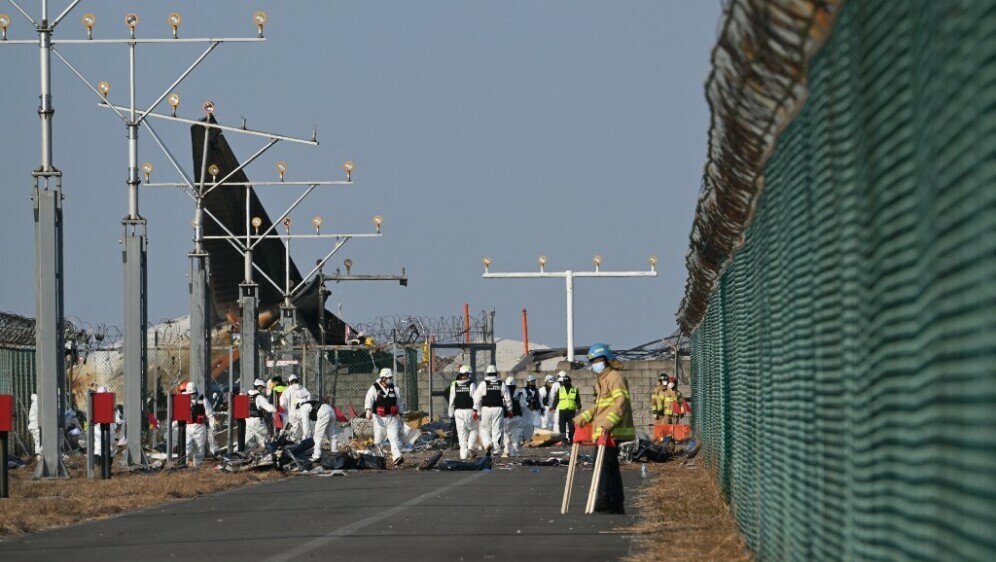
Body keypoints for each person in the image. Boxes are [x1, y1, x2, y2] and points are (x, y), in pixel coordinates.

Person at [573, 343, 634, 515]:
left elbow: (621, 403)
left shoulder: (615, 378)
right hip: (604, 430)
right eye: (592, 361)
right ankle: (614, 503)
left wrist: (608, 423)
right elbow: (599, 407)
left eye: (597, 361)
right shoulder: (602, 381)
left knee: (603, 466)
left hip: (613, 430)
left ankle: (605, 500)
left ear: (606, 361)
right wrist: (583, 417)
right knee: (609, 467)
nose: (594, 365)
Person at [364, 368, 405, 466]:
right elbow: (369, 399)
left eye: (390, 378)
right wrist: (368, 410)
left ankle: (397, 457)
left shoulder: (394, 388)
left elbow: (399, 402)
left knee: (394, 438)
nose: (389, 380)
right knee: (378, 440)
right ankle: (380, 458)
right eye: (387, 378)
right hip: (379, 419)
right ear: (382, 378)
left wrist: (401, 413)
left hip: (392, 418)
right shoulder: (374, 388)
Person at [472, 364, 511, 456]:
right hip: (498, 408)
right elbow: (507, 397)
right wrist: (509, 409)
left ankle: (487, 443)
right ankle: (496, 450)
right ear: (496, 373)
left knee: (484, 429)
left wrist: (475, 410)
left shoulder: (483, 384)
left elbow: (477, 398)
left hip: (486, 409)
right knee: (497, 430)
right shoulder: (501, 383)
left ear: (488, 373)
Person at [448, 365, 479, 459]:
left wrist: (451, 416)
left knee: (462, 436)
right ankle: (471, 447)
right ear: (467, 374)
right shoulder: (471, 384)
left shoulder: (454, 385)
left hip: (458, 412)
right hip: (470, 411)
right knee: (474, 429)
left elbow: (451, 402)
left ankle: (463, 457)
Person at [184, 381, 214, 467]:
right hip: (188, 427)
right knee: (187, 447)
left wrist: (212, 426)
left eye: (193, 393)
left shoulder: (203, 399)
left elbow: (210, 414)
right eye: (190, 394)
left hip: (200, 427)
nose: (192, 395)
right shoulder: (184, 400)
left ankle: (197, 466)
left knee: (199, 449)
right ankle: (185, 464)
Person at [246, 379, 276, 453]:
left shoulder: (247, 395)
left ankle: (237, 453)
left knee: (246, 439)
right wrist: (276, 410)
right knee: (265, 437)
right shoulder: (259, 397)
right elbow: (269, 408)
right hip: (257, 422)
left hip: (247, 421)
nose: (264, 390)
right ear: (259, 387)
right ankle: (265, 454)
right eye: (263, 388)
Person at [280, 374, 313, 442]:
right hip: (304, 414)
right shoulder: (304, 389)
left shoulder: (287, 390)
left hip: (293, 414)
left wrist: (286, 407)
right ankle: (306, 446)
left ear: (289, 382)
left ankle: (294, 447)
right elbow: (309, 400)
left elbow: (283, 404)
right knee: (306, 432)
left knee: (293, 434)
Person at [502, 376, 529, 458]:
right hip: (517, 417)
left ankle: (506, 451)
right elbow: (523, 406)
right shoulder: (519, 393)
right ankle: (515, 451)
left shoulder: (503, 393)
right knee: (516, 435)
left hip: (505, 417)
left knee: (506, 434)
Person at [552, 373, 581, 444]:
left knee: (571, 427)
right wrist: (554, 407)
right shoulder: (560, 389)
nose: (566, 383)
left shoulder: (574, 389)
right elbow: (556, 399)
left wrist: (579, 407)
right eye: (565, 382)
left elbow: (577, 399)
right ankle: (564, 440)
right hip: (562, 410)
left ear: (570, 382)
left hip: (571, 411)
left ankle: (571, 439)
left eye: (567, 382)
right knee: (562, 427)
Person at [523, 375, 541, 440]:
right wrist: (528, 405)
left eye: (533, 381)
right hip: (527, 411)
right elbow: (523, 400)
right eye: (531, 382)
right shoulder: (524, 390)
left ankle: (537, 437)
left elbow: (539, 400)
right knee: (528, 425)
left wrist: (539, 409)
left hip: (535, 410)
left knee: (538, 424)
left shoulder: (536, 390)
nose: (533, 383)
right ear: (528, 382)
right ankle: (526, 438)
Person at [27, 393, 40, 457]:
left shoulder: (35, 403)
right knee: (38, 440)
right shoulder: (37, 403)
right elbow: (39, 414)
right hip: (35, 426)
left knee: (38, 440)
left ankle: (39, 455)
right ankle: (38, 455)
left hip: (34, 425)